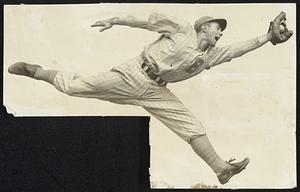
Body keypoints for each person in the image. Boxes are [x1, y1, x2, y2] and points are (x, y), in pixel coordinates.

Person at [8, 11, 293, 185]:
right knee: (76, 87)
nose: (221, 32)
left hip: (156, 90)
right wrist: (116, 19)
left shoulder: (209, 56)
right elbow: (148, 21)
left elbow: (236, 50)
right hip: (134, 73)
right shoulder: (182, 29)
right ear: (203, 27)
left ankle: (221, 169)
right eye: (218, 27)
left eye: (222, 30)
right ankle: (38, 71)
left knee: (190, 125)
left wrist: (267, 37)